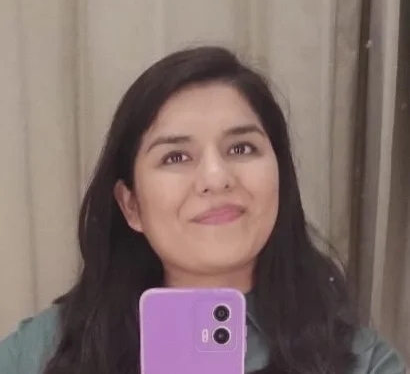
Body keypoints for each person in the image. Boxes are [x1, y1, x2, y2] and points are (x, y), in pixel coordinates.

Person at [0, 46, 406, 374]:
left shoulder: (363, 363)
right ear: (131, 205)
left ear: (280, 179)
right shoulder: (39, 354)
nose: (216, 177)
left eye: (241, 148)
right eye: (175, 157)